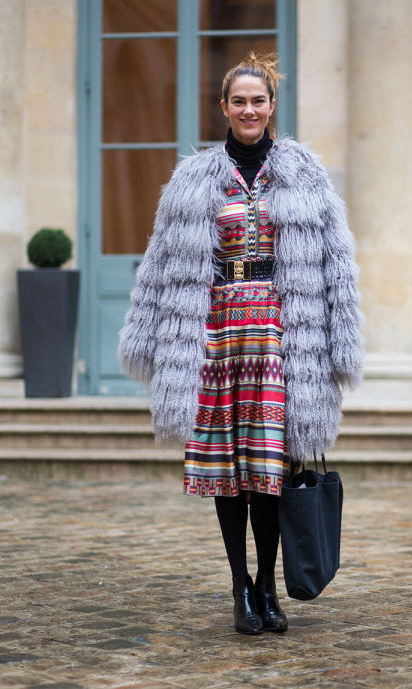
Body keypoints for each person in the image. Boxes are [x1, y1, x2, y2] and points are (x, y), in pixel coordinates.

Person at [118, 52, 363, 635]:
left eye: (258, 100)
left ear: (271, 107)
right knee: (228, 472)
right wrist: (150, 333)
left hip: (281, 339)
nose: (249, 109)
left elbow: (336, 265)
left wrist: (337, 340)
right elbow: (161, 262)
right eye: (238, 101)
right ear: (224, 108)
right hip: (216, 338)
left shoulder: (306, 173)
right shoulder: (193, 177)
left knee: (270, 470)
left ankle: (268, 585)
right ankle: (239, 589)